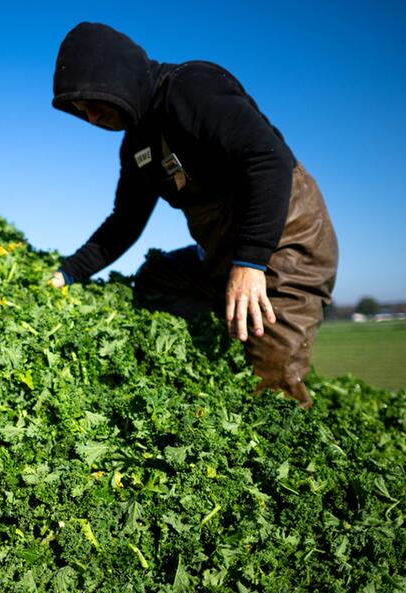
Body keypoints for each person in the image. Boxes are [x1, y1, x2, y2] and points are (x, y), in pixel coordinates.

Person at [48, 22, 338, 407]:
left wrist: (250, 263)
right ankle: (220, 344)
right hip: (223, 255)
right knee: (155, 281)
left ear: (115, 77)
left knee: (272, 394)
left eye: (95, 103)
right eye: (83, 111)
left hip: (284, 246)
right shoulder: (138, 145)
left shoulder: (191, 87)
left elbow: (269, 161)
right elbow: (126, 220)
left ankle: (266, 366)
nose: (92, 119)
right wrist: (66, 274)